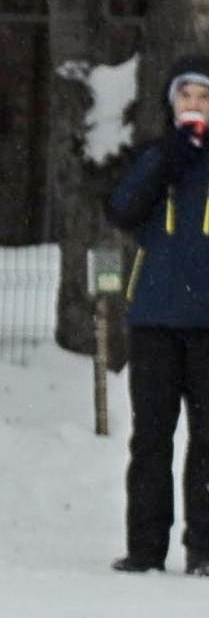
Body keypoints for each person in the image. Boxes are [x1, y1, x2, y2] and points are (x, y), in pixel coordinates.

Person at [106, 57, 209, 574]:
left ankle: (204, 550)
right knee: (151, 437)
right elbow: (122, 209)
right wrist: (168, 156)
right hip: (154, 319)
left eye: (204, 97)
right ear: (171, 104)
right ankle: (146, 547)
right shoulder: (154, 156)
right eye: (185, 96)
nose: (194, 105)